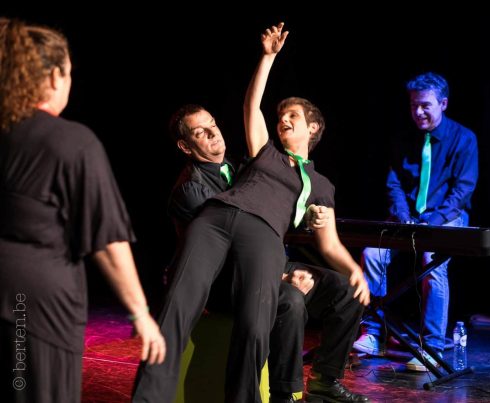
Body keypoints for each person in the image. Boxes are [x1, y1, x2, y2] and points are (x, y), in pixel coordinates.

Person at [132, 22, 370, 403]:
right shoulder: (265, 152)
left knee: (255, 326)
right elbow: (251, 105)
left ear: (313, 128)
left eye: (292, 116)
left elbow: (329, 244)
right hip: (215, 218)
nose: (283, 120)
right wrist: (267, 58)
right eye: (281, 116)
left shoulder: (321, 185)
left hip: (261, 234)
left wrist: (354, 270)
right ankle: (146, 398)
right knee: (176, 309)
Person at [0, 18, 165, 403]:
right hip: (33, 308)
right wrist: (140, 313)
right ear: (54, 76)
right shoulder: (70, 142)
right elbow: (106, 240)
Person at [166, 103, 370, 402]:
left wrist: (309, 216)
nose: (213, 133)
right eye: (200, 132)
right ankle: (283, 394)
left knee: (346, 290)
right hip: (224, 280)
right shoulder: (191, 189)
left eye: (213, 124)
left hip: (265, 264)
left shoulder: (243, 167)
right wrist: (281, 277)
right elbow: (222, 251)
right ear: (186, 146)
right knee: (290, 299)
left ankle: (325, 380)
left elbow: (275, 209)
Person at [353, 72, 478, 371]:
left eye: (425, 105)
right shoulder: (403, 139)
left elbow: (462, 190)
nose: (418, 112)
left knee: (431, 259)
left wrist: (432, 222)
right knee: (373, 254)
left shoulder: (464, 138)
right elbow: (394, 184)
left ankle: (431, 346)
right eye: (413, 106)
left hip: (445, 217)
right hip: (408, 218)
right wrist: (404, 217)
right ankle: (373, 333)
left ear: (443, 104)